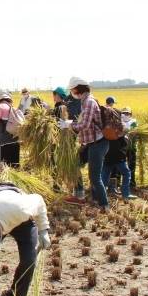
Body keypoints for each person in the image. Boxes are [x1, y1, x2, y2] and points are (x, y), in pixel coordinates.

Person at [60, 77, 109, 211]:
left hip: (98, 143)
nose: (71, 92)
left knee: (94, 177)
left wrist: (69, 125)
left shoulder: (89, 102)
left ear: (77, 88)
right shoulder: (84, 101)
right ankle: (80, 196)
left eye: (72, 90)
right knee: (74, 164)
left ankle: (104, 205)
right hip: (89, 143)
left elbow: (85, 125)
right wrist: (71, 123)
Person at [103, 132, 137, 200]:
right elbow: (124, 142)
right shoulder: (119, 126)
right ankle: (125, 194)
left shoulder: (105, 125)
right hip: (118, 155)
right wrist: (128, 136)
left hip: (107, 153)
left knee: (105, 175)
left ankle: (100, 195)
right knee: (126, 173)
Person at [0, 92, 21, 167]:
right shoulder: (12, 107)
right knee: (14, 163)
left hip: (4, 140)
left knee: (3, 163)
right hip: (15, 139)